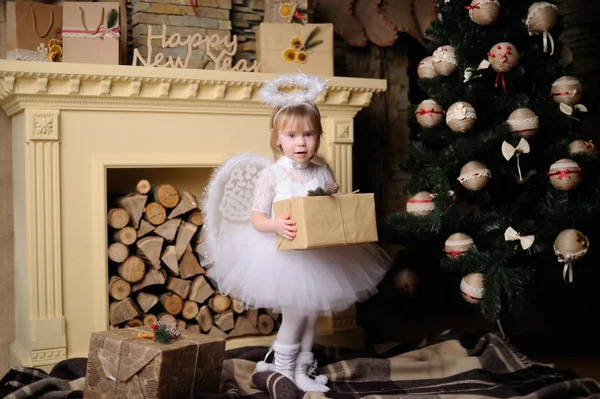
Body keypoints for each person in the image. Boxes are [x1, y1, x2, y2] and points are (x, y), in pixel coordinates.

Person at [202, 72, 392, 393]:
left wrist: (334, 197)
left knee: (312, 315)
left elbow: (328, 210)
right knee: (294, 315)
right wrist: (275, 224)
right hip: (285, 255)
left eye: (308, 134)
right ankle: (282, 369)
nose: (301, 142)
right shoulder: (272, 175)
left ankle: (303, 367)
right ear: (278, 139)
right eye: (291, 136)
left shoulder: (322, 170)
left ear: (319, 136)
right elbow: (257, 218)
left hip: (318, 253)